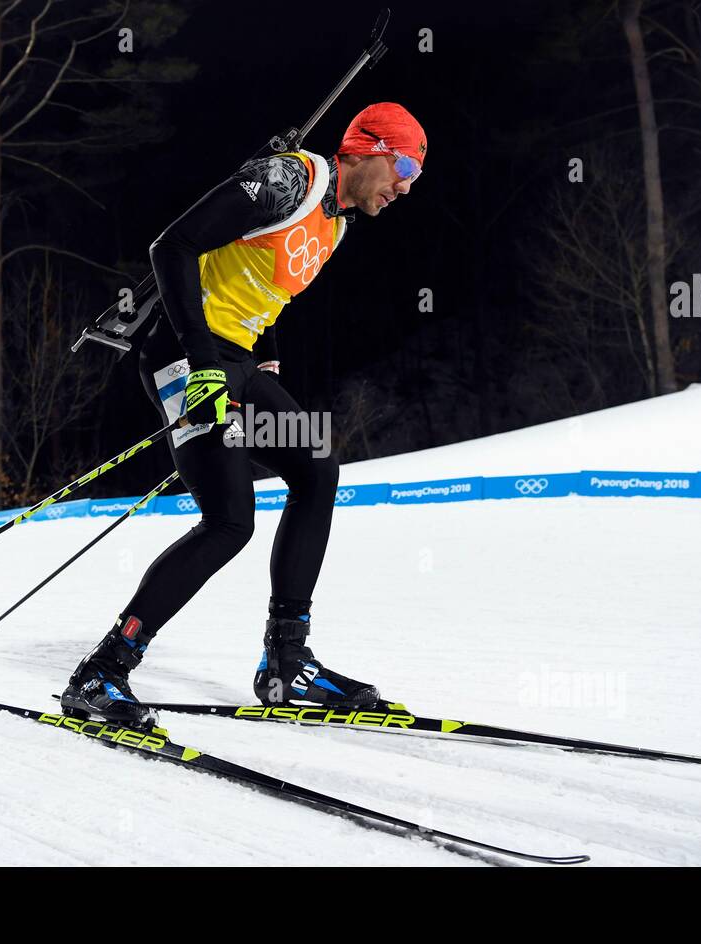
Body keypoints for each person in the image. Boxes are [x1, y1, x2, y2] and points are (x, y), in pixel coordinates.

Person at [61, 103, 428, 726]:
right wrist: (204, 363)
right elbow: (172, 246)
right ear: (365, 148)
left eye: (415, 173)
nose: (406, 185)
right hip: (184, 357)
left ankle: (287, 660)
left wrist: (266, 360)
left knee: (318, 465)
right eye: (404, 165)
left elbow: (262, 290)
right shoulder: (292, 180)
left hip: (236, 364)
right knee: (230, 521)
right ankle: (103, 672)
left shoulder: (337, 225)